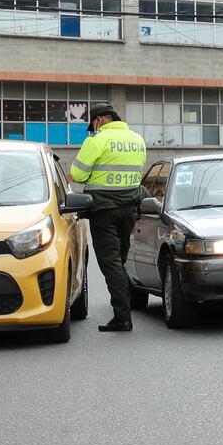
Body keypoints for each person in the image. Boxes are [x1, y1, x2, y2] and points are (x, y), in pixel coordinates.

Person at [70, 103, 147, 332]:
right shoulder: (137, 140)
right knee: (119, 261)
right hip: (130, 208)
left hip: (104, 210)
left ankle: (123, 318)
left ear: (99, 120)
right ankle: (124, 310)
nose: (93, 129)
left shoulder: (96, 140)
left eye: (93, 124)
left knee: (110, 263)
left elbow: (77, 174)